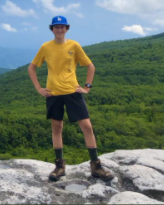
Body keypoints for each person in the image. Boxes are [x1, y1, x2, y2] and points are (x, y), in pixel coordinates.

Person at [28, 15, 114, 182]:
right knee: (57, 127)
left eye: (62, 27)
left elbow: (90, 66)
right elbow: (31, 68)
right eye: (56, 27)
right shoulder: (46, 47)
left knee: (87, 127)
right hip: (53, 94)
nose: (59, 29)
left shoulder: (73, 45)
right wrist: (39, 88)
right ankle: (60, 166)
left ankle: (96, 166)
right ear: (52, 29)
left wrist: (87, 87)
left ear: (67, 28)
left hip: (73, 92)